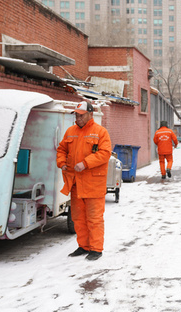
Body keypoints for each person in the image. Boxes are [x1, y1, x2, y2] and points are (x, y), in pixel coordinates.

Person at [56, 101, 112, 261]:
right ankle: (83, 246)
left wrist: (85, 163)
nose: (78, 118)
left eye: (81, 115)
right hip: (75, 184)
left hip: (93, 184)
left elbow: (105, 153)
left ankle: (96, 249)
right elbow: (61, 149)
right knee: (78, 218)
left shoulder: (100, 132)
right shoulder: (70, 132)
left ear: (90, 114)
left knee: (94, 218)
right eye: (76, 115)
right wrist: (62, 163)